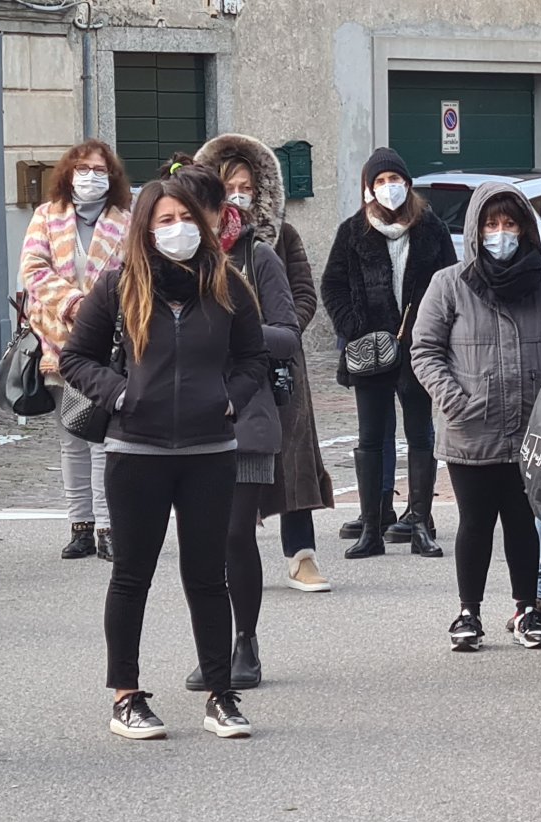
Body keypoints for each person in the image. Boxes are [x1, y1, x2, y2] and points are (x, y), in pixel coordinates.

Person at [57, 177, 271, 741]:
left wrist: (229, 399)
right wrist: (120, 393)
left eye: (184, 217)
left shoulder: (228, 285)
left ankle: (220, 695)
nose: (176, 228)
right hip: (136, 451)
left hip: (209, 451)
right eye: (163, 219)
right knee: (131, 575)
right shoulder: (118, 285)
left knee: (207, 576)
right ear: (146, 230)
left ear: (200, 225)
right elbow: (76, 357)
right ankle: (126, 696)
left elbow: (254, 358)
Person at [409, 181, 541, 652]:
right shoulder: (449, 283)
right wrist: (454, 399)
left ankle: (527, 610)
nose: (500, 233)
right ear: (476, 231)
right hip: (470, 428)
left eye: (509, 223)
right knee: (475, 522)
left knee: (522, 522)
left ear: (525, 228)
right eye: (491, 224)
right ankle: (467, 612)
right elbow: (424, 350)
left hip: (532, 429)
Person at [161, 159, 294, 691]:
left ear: (220, 212)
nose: (187, 227)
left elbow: (287, 333)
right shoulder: (159, 267)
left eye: (198, 213)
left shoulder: (256, 258)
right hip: (185, 422)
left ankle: (247, 642)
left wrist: (236, 330)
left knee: (237, 535)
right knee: (203, 542)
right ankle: (212, 648)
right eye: (174, 217)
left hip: (248, 415)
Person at [197, 133, 335, 593]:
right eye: (230, 185)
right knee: (222, 464)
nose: (239, 194)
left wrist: (275, 332)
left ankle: (301, 555)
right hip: (218, 372)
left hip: (277, 369)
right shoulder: (201, 245)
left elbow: (303, 294)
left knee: (292, 463)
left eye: (247, 186)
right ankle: (224, 553)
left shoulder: (276, 238)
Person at [321, 147, 456, 558]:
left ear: (407, 184)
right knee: (370, 437)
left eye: (394, 180)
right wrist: (355, 327)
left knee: (420, 435)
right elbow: (332, 286)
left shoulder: (431, 230)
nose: (388, 188)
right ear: (369, 189)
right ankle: (372, 526)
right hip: (370, 352)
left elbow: (450, 285)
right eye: (379, 182)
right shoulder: (352, 231)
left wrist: (434, 333)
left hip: (419, 351)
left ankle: (419, 521)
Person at [19, 140, 133, 563]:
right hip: (59, 343)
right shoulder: (47, 217)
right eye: (83, 168)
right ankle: (80, 525)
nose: (90, 176)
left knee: (104, 439)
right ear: (68, 173)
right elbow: (33, 270)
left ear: (112, 176)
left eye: (99, 169)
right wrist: (73, 303)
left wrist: (103, 310)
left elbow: (138, 272)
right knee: (71, 439)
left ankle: (108, 527)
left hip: (111, 346)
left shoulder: (126, 219)